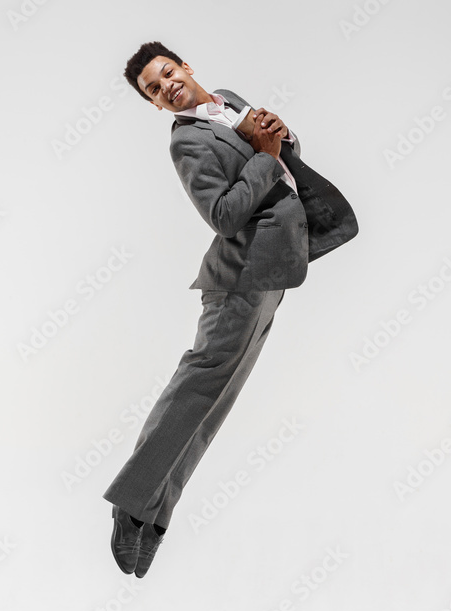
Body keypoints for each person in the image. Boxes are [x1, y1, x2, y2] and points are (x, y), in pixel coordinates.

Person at [104, 41, 359, 578]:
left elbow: (278, 161)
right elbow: (222, 214)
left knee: (215, 403)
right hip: (238, 278)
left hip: (272, 272)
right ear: (155, 104)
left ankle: (154, 515)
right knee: (195, 390)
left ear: (186, 66)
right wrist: (264, 155)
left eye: (167, 72)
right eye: (155, 89)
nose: (167, 86)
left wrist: (283, 139)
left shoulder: (228, 99)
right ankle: (132, 503)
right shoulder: (187, 142)